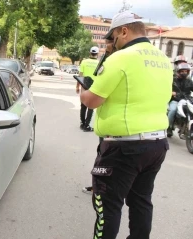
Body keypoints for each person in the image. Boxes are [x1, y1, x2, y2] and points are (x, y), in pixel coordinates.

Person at [80, 10, 172, 239]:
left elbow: (91, 101)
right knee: (141, 202)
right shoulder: (163, 59)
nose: (113, 43)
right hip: (157, 144)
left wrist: (84, 87)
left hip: (123, 149)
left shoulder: (121, 58)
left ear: (124, 31)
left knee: (107, 207)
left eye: (114, 37)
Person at [76, 46, 100, 132]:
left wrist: (77, 86)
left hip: (84, 86)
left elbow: (80, 75)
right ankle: (87, 125)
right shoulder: (99, 63)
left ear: (90, 53)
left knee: (83, 105)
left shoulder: (84, 61)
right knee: (91, 106)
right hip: (94, 86)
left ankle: (82, 124)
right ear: (97, 54)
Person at [167, 62, 193, 137]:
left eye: (186, 71)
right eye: (182, 71)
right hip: (176, 100)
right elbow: (167, 87)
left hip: (186, 100)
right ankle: (169, 127)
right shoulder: (173, 80)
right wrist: (171, 92)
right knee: (172, 110)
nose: (184, 73)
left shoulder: (189, 81)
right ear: (178, 71)